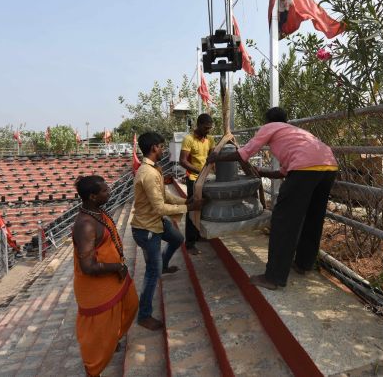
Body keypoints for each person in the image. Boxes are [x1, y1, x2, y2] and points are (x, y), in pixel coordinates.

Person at [207, 107, 338, 290]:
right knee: (313, 219)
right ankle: (303, 264)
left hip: (305, 169)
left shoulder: (270, 127)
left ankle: (274, 277)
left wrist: (217, 158)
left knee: (283, 221)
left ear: (268, 121)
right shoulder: (295, 133)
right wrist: (261, 172)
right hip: (329, 166)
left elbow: (245, 152)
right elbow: (283, 172)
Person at [132, 132, 203, 330]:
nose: (163, 149)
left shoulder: (154, 169)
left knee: (177, 238)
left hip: (155, 223)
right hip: (146, 229)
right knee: (152, 272)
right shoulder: (148, 173)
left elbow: (165, 196)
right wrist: (189, 208)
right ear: (154, 147)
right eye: (161, 146)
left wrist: (186, 201)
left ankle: (163, 265)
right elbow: (160, 208)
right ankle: (144, 315)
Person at [72, 175, 138, 377]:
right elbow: (88, 267)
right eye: (105, 190)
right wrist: (116, 266)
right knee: (97, 336)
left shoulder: (97, 212)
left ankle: (113, 338)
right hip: (98, 287)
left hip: (115, 277)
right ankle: (93, 371)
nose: (109, 192)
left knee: (131, 305)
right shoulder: (86, 224)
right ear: (93, 196)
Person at [179, 113, 215, 254]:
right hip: (193, 179)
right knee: (193, 208)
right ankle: (190, 243)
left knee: (204, 207)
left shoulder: (210, 139)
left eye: (209, 128)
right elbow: (183, 161)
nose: (208, 130)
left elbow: (213, 158)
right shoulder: (189, 139)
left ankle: (198, 235)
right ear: (198, 125)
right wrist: (200, 171)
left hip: (207, 178)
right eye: (205, 128)